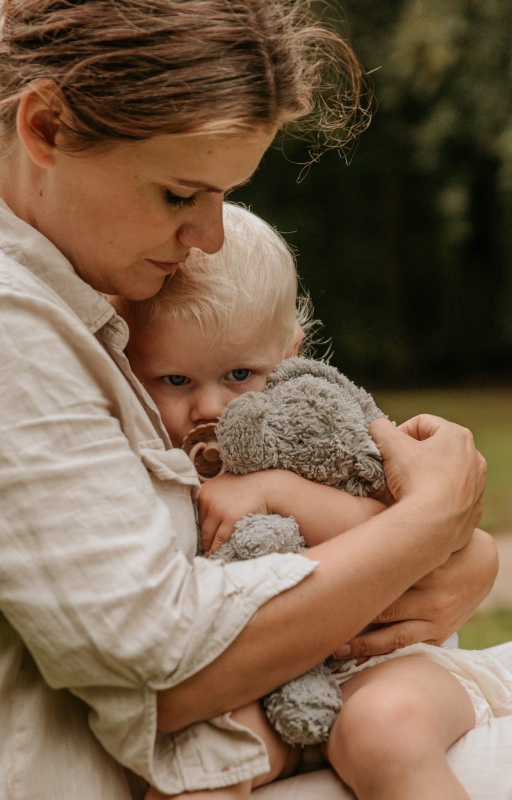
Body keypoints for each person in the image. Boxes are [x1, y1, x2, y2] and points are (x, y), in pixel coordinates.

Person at [0, 2, 507, 799]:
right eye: (177, 193)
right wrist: (429, 525)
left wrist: (461, 560)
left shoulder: (91, 304)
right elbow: (164, 668)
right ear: (46, 128)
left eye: (224, 195)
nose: (211, 238)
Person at [116, 202, 512, 800]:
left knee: (382, 732)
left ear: (290, 350)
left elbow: (406, 532)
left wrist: (278, 492)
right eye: (175, 380)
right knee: (200, 766)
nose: (212, 408)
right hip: (263, 685)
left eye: (241, 374)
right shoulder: (141, 458)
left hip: (384, 667)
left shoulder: (320, 432)